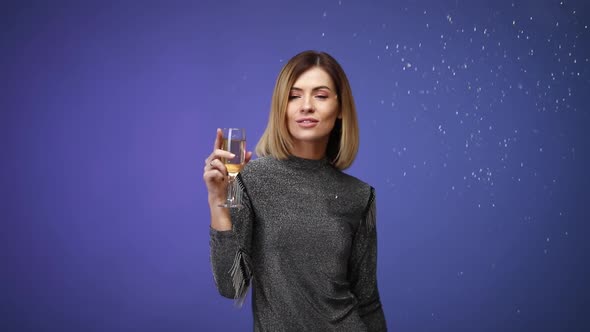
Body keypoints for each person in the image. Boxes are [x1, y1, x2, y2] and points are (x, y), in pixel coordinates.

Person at [203, 50, 387, 331]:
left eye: (321, 95)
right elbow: (232, 286)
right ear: (282, 107)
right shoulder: (249, 179)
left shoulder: (360, 196)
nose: (306, 106)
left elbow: (368, 301)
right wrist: (218, 200)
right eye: (294, 95)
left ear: (339, 109)